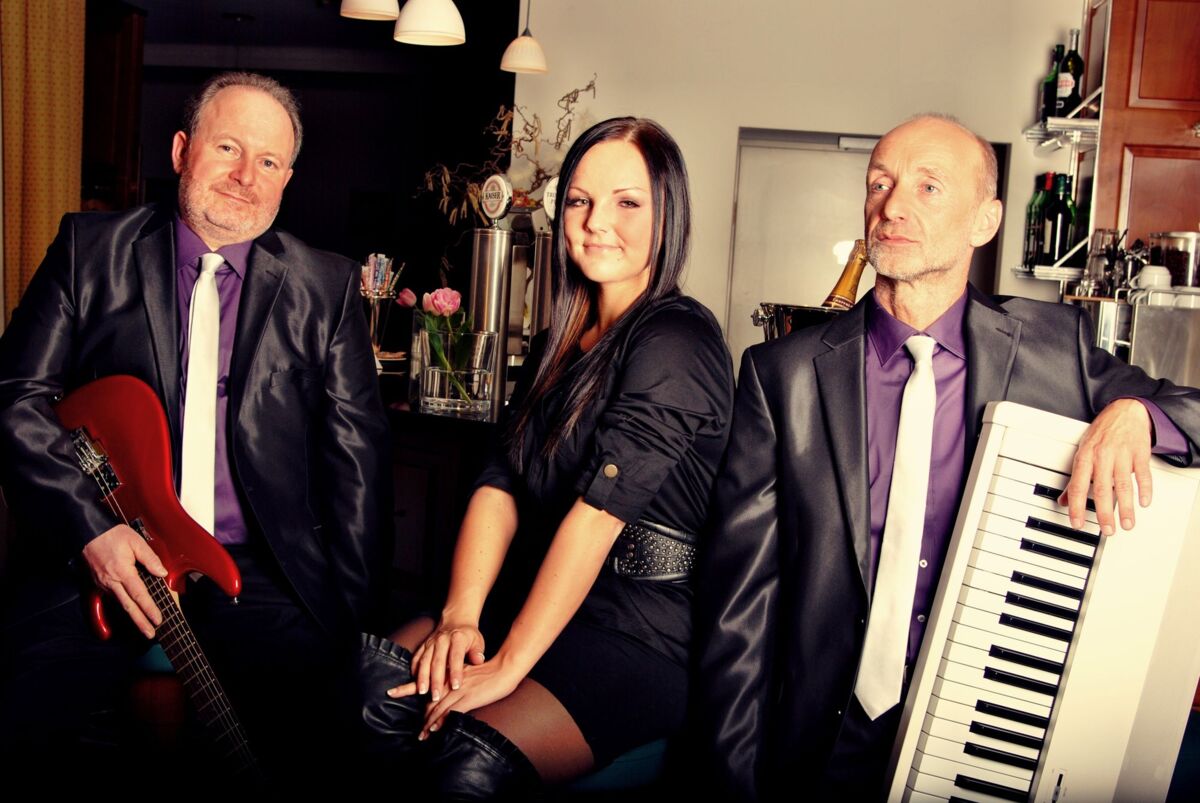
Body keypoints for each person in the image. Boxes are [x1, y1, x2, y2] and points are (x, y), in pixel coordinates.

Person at [695, 113, 1200, 801]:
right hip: (821, 747)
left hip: (988, 736)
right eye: (880, 183)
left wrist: (1136, 412)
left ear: (984, 221)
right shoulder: (780, 374)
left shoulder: (1056, 347)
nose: (892, 206)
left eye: (928, 187)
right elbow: (738, 610)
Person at [0, 72, 391, 783]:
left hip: (262, 570)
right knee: (17, 706)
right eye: (228, 148)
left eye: (268, 162)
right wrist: (91, 532)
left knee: (321, 742)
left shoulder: (326, 286)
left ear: (287, 179)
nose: (246, 177)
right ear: (182, 151)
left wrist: (352, 622)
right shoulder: (90, 249)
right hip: (103, 550)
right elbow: (14, 396)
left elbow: (356, 465)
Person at [358, 117, 734, 798]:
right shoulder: (559, 338)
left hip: (635, 629)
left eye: (628, 202)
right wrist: (462, 614)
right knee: (372, 692)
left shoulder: (678, 338)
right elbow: (499, 479)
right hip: (535, 591)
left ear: (668, 214)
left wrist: (507, 665)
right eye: (580, 200)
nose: (596, 222)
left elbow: (598, 515)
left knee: (466, 763)